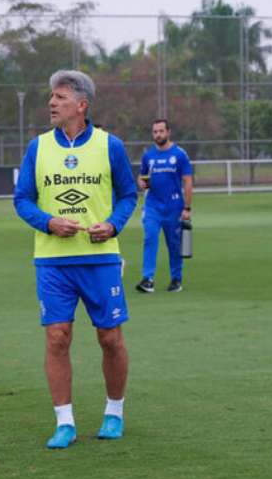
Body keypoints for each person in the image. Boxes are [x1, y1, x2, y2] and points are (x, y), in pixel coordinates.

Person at [14, 70, 137, 449]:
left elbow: (128, 195)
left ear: (82, 105)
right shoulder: (37, 147)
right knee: (56, 337)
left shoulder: (109, 145)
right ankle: (64, 422)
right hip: (52, 262)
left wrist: (113, 226)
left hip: (100, 260)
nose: (52, 102)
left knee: (110, 338)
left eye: (61, 97)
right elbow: (22, 200)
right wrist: (49, 222)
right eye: (51, 96)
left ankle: (114, 412)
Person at [135, 119, 193, 293]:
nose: (157, 135)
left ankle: (176, 279)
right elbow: (142, 176)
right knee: (150, 238)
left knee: (174, 244)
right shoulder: (148, 155)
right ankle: (148, 279)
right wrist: (142, 183)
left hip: (174, 206)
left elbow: (188, 181)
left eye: (161, 131)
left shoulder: (179, 154)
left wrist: (187, 208)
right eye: (155, 132)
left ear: (168, 132)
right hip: (152, 206)